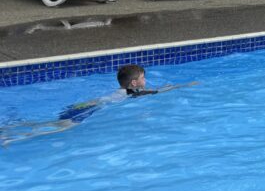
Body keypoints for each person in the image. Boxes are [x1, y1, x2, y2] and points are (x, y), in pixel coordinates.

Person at [1, 65, 190, 145]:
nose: (145, 80)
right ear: (134, 84)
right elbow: (157, 92)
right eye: (143, 78)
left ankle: (12, 128)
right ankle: (15, 138)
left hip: (82, 105)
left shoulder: (120, 91)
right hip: (87, 110)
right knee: (59, 129)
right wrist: (182, 86)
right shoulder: (131, 93)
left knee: (52, 122)